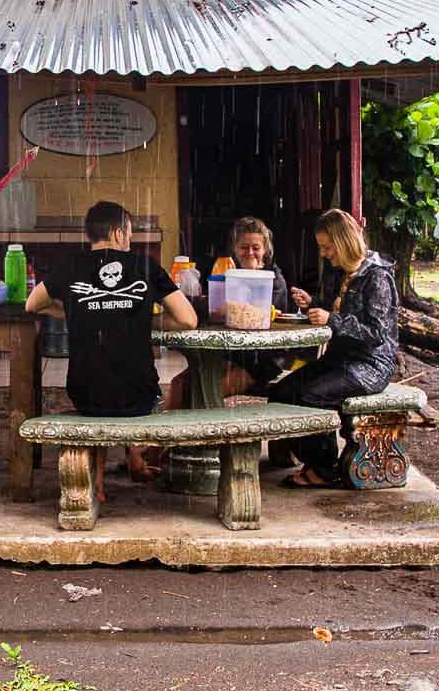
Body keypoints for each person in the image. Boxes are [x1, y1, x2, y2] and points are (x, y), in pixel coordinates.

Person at [26, 201, 197, 498]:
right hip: (139, 395)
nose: (130, 240)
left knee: (103, 377)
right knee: (126, 373)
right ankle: (133, 459)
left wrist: (76, 311)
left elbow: (32, 305)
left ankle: (101, 479)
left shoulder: (71, 265)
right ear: (118, 233)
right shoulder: (144, 265)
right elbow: (188, 320)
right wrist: (141, 316)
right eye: (129, 233)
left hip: (85, 393)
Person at [272, 209, 399, 488]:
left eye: (327, 247)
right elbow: (333, 308)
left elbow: (377, 333)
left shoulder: (377, 277)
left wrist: (331, 319)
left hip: (370, 365)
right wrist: (312, 303)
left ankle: (324, 468)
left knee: (309, 396)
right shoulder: (336, 272)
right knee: (282, 393)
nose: (323, 253)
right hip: (339, 359)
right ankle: (309, 459)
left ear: (344, 242)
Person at [222, 216, 291, 395]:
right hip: (230, 354)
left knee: (210, 388)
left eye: (256, 248)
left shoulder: (274, 280)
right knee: (182, 383)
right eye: (244, 247)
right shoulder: (230, 276)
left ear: (265, 249)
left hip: (262, 362)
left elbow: (261, 319)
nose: (250, 252)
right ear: (235, 248)